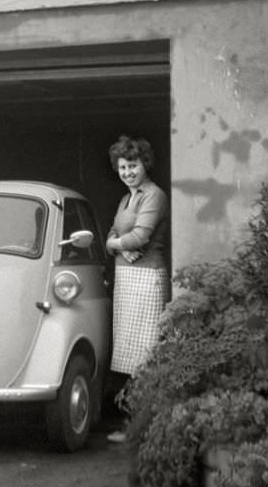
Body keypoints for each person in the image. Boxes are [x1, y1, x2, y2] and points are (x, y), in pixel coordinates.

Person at [104, 135, 169, 443]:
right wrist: (117, 244)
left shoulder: (153, 195)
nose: (128, 172)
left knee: (145, 355)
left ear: (145, 165)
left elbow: (139, 236)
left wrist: (117, 243)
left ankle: (145, 427)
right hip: (126, 278)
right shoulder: (125, 198)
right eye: (123, 167)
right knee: (130, 355)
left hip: (146, 278)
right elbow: (113, 233)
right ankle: (135, 426)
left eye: (133, 166)